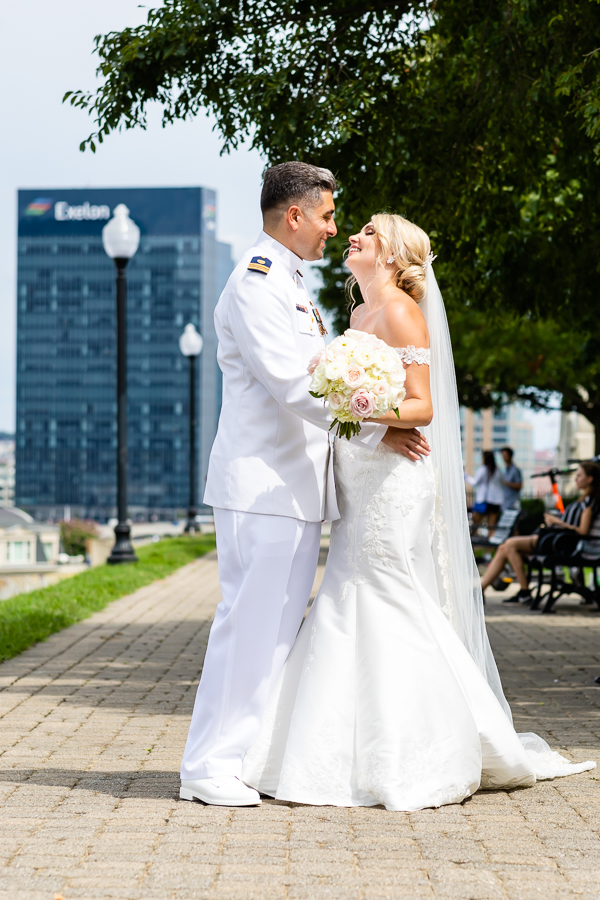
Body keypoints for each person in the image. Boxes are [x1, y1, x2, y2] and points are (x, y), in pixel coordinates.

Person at [242, 213, 595, 811]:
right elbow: (352, 405)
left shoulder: (404, 311)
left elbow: (423, 407)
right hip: (361, 471)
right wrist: (357, 413)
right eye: (348, 228)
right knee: (349, 591)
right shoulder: (355, 315)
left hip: (396, 480)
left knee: (391, 591)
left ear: (393, 254)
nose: (352, 237)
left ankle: (425, 745)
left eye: (367, 233)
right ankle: (335, 749)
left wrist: (369, 413)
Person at [179, 164, 430, 807]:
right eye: (326, 216)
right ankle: (208, 765)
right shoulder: (258, 284)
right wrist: (379, 432)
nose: (332, 228)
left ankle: (237, 757)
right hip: (262, 486)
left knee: (274, 628)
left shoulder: (289, 282)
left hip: (290, 487)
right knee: (250, 626)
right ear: (294, 215)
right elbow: (295, 386)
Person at [481, 462, 600, 604]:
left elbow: (582, 531)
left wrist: (558, 522)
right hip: (558, 539)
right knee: (506, 547)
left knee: (509, 545)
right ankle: (517, 591)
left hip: (563, 543)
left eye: (579, 475)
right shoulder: (583, 500)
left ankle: (515, 591)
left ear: (590, 479)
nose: (576, 478)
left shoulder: (589, 504)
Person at [465, 450, 505, 533]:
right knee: (491, 526)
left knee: (476, 524)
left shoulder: (483, 469)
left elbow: (474, 482)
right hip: (495, 502)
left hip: (483, 501)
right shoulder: (498, 470)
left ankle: (473, 543)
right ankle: (490, 545)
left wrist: (464, 475)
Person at [501, 446, 522, 510]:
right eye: (502, 455)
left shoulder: (515, 470)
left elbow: (519, 485)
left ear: (510, 456)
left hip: (512, 504)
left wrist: (506, 483)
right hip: (505, 503)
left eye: (505, 455)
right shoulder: (506, 470)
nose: (503, 457)